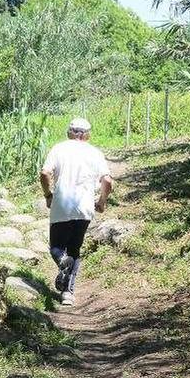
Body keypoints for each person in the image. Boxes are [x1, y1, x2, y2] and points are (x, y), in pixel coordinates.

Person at [39, 117, 113, 306]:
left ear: (69, 132)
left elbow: (44, 173)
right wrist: (102, 202)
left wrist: (48, 194)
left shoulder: (59, 148)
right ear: (87, 135)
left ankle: (63, 261)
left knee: (56, 248)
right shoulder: (95, 152)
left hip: (61, 206)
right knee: (75, 249)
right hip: (84, 208)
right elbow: (108, 181)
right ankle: (67, 294)